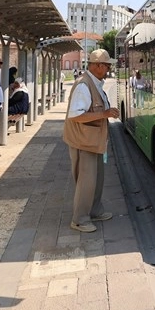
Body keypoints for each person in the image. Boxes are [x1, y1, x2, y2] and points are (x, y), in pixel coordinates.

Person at [63, 49, 120, 233]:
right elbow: (76, 115)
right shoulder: (83, 85)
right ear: (96, 66)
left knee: (97, 179)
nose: (109, 68)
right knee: (86, 182)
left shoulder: (95, 83)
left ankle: (94, 210)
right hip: (83, 142)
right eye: (106, 65)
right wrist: (104, 113)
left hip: (94, 141)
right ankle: (79, 219)